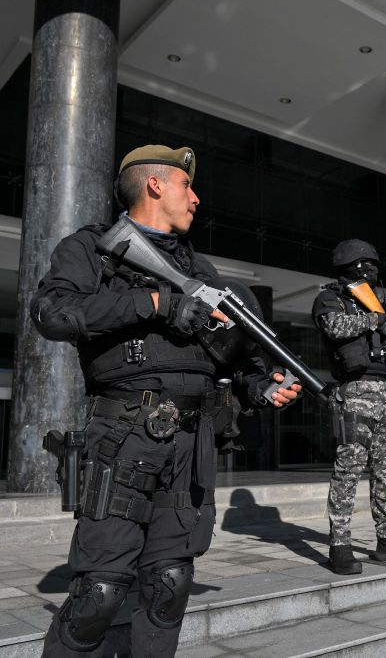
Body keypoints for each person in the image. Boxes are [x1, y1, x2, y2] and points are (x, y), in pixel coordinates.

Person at [30, 145, 301, 656]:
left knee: (169, 585)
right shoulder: (90, 248)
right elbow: (52, 314)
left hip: (192, 445)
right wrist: (155, 303)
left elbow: (232, 356)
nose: (196, 198)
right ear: (155, 185)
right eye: (186, 186)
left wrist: (258, 385)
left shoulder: (201, 267)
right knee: (100, 594)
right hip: (124, 436)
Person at [312, 239, 386, 575]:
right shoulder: (330, 298)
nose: (373, 270)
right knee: (349, 469)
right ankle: (340, 544)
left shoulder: (382, 303)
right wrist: (374, 321)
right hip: (355, 390)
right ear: (352, 266)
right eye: (367, 264)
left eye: (375, 265)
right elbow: (334, 327)